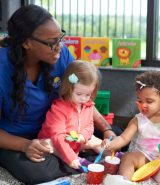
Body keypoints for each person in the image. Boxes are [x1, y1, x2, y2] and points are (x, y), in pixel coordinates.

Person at [0, 5, 115, 184]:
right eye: (52, 42)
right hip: (19, 138)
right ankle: (82, 159)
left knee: (116, 135)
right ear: (26, 43)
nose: (60, 46)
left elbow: (80, 97)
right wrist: (26, 146)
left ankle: (76, 157)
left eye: (60, 37)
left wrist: (106, 128)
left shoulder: (60, 55)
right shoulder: (2, 68)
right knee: (36, 172)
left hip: (64, 127)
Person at [38, 61, 103, 169]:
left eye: (88, 94)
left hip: (75, 140)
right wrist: (72, 158)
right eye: (79, 94)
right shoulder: (58, 109)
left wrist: (83, 136)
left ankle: (112, 155)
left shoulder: (88, 105)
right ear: (68, 88)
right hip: (58, 141)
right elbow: (58, 137)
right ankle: (75, 160)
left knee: (96, 140)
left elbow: (90, 125)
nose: (83, 98)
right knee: (47, 144)